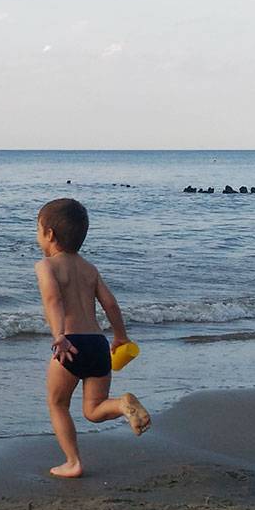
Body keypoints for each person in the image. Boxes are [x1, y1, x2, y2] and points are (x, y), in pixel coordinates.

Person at [34, 197, 150, 478]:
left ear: (49, 234)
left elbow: (53, 301)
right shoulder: (90, 269)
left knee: (57, 404)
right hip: (98, 344)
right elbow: (110, 304)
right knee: (94, 408)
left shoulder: (46, 267)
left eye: (37, 229)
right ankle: (122, 404)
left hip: (70, 345)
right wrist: (120, 336)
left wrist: (59, 335)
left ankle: (73, 462)